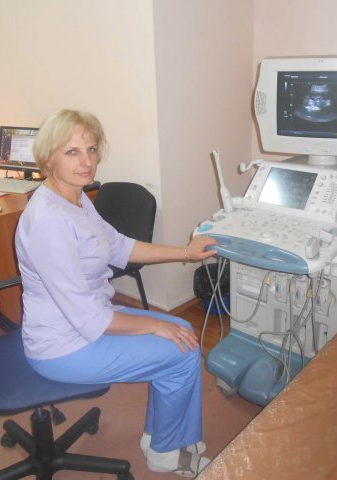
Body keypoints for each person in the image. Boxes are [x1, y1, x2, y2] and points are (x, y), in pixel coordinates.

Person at [14, 108, 218, 477]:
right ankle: (165, 453)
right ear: (48, 158)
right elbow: (89, 318)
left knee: (182, 333)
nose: (86, 161)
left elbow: (120, 245)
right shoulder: (48, 222)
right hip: (63, 346)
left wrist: (187, 252)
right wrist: (154, 325)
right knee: (181, 350)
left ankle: (161, 435)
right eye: (72, 152)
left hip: (86, 322)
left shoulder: (76, 199)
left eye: (91, 149)